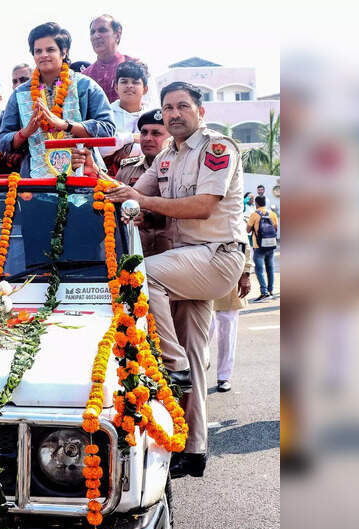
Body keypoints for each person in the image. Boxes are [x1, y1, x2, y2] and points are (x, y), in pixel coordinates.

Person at [104, 81, 247, 479]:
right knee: (196, 358)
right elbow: (127, 191)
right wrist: (88, 173)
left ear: (200, 111)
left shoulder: (217, 148)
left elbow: (202, 207)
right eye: (168, 108)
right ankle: (193, 450)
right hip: (188, 263)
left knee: (137, 273)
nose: (174, 114)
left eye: (183, 106)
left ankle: (172, 364)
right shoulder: (167, 155)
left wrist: (142, 201)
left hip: (217, 257)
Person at [0, 21, 115, 178]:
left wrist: (66, 125)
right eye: (38, 51)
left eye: (50, 49)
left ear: (64, 52)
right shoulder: (20, 93)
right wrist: (25, 132)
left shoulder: (84, 85)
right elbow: (3, 144)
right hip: (35, 184)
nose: (43, 55)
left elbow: (108, 129)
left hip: (83, 177)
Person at [113, 109, 172, 257]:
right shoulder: (127, 169)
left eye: (156, 133)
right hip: (134, 255)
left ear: (171, 139)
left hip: (172, 257)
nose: (147, 138)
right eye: (144, 133)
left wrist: (149, 217)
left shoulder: (181, 168)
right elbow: (115, 201)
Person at [211, 245, 252, 393]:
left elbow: (243, 245)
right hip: (201, 276)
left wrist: (245, 274)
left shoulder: (232, 221)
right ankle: (197, 373)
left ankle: (224, 376)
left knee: (227, 335)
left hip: (228, 277)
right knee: (199, 337)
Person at [97, 60, 150, 172]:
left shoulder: (151, 116)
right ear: (116, 87)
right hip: (107, 177)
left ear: (145, 89)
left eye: (135, 82)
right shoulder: (105, 114)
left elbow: (159, 146)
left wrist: (129, 148)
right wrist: (131, 138)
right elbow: (100, 149)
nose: (129, 86)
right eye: (124, 82)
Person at [82, 14, 140, 103]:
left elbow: (149, 106)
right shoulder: (85, 76)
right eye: (92, 32)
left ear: (117, 35)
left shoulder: (137, 66)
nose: (96, 36)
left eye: (102, 30)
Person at [246, 194, 279, 301]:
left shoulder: (254, 215)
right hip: (271, 245)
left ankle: (264, 292)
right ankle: (271, 291)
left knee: (259, 270)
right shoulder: (272, 214)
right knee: (270, 268)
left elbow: (248, 230)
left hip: (258, 246)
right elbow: (275, 229)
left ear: (256, 203)